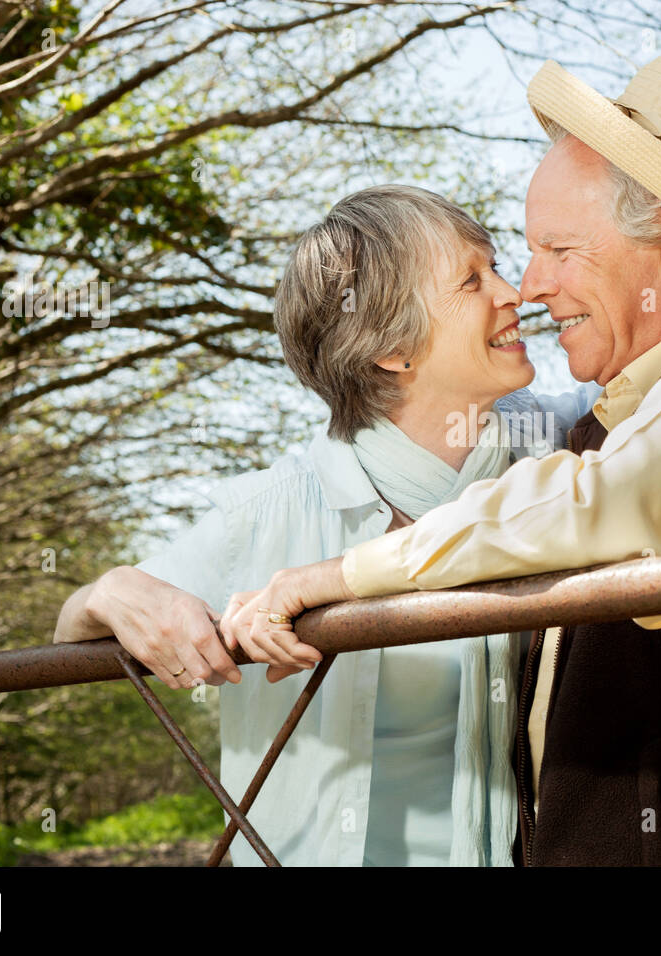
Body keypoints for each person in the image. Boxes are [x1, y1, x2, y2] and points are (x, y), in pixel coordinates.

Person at [242, 53, 661, 866]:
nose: (531, 284)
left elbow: (614, 503)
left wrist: (340, 576)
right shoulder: (621, 413)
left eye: (559, 249)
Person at [52, 184, 596, 866]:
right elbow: (70, 636)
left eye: (495, 267)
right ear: (394, 349)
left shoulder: (570, 438)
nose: (515, 290)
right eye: (472, 279)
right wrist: (110, 592)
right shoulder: (264, 515)